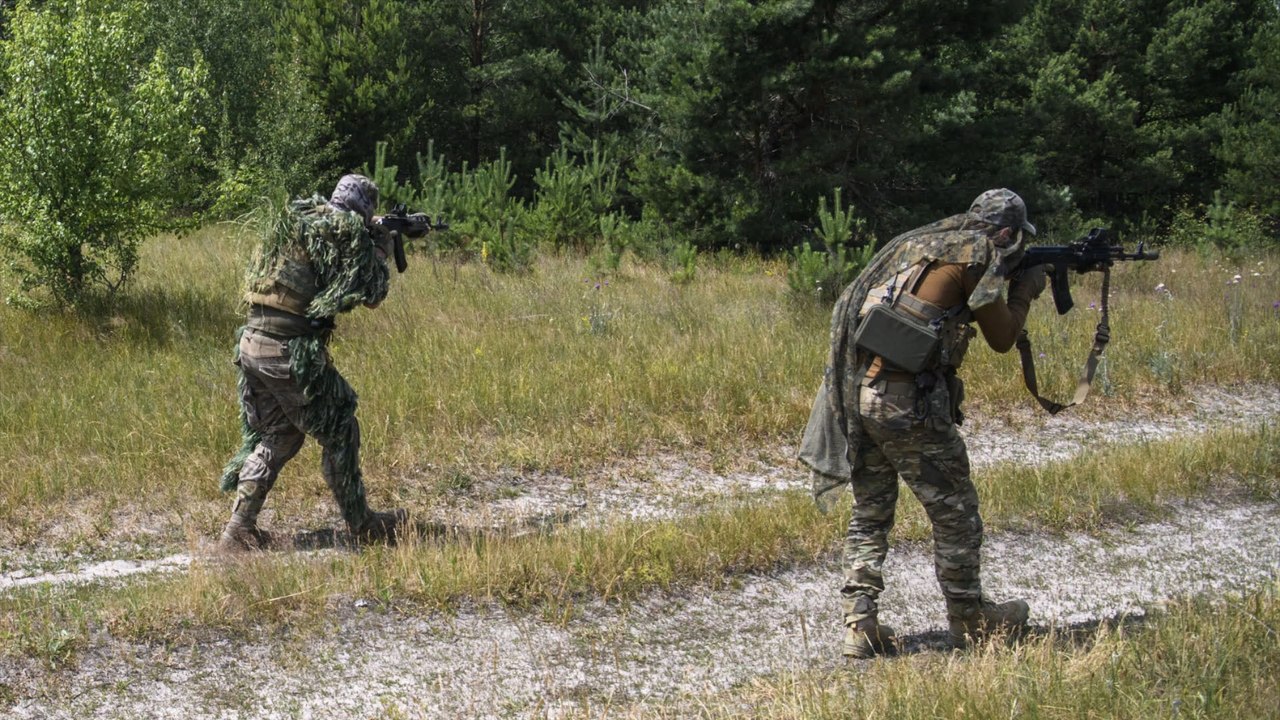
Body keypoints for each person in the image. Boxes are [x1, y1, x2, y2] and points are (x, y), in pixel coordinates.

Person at [799, 188, 1048, 658]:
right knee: (956, 513)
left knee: (871, 511)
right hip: (905, 405)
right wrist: (1026, 289)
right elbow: (1002, 337)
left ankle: (860, 624)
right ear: (1008, 232)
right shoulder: (978, 256)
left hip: (859, 395)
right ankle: (970, 619)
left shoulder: (925, 247)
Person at [215, 174, 406, 553]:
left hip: (253, 344)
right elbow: (371, 294)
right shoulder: (342, 230)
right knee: (340, 428)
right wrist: (381, 249)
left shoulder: (300, 220)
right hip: (287, 350)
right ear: (363, 212)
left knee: (280, 436)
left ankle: (237, 531)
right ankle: (361, 524)